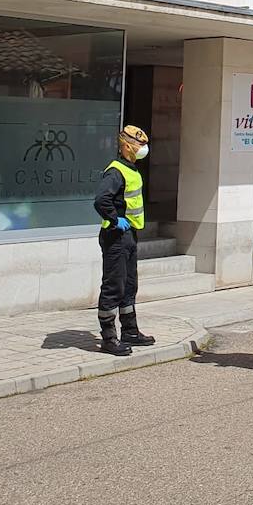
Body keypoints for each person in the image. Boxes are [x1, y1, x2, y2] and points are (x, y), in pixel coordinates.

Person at [93, 124, 155, 356]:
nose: (143, 149)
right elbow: (101, 200)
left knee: (129, 285)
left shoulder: (132, 169)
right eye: (140, 145)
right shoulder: (116, 171)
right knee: (113, 286)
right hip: (116, 235)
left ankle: (130, 331)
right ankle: (109, 338)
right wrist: (114, 219)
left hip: (129, 235)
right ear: (127, 146)